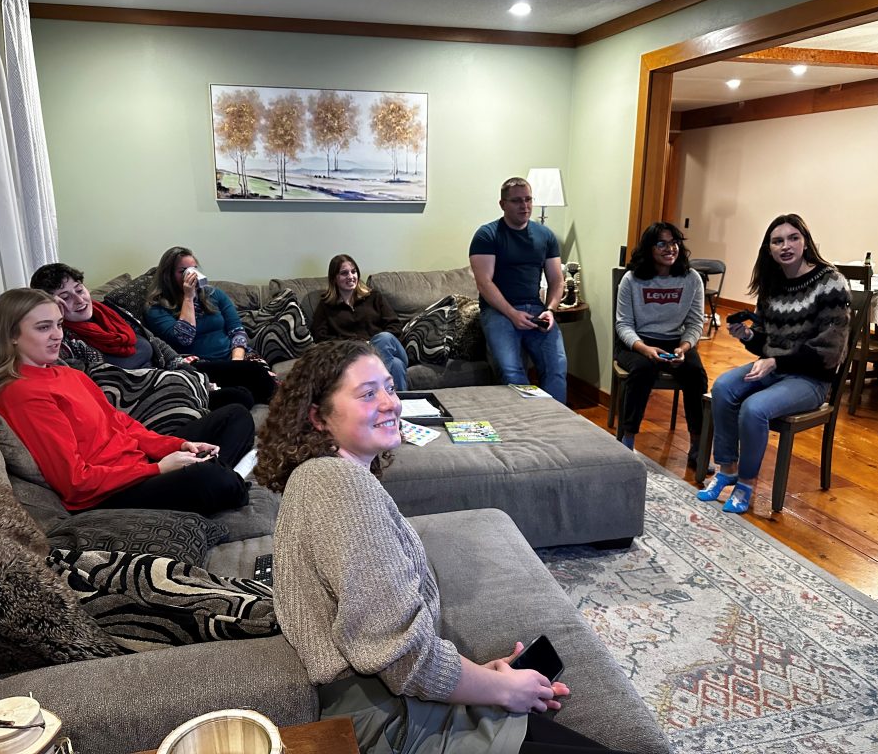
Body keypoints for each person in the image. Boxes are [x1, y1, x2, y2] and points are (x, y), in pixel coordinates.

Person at [254, 339, 636, 754]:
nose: (390, 403)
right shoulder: (337, 485)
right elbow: (399, 657)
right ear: (318, 417)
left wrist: (478, 677)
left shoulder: (326, 480)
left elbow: (392, 644)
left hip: (405, 704)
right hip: (396, 725)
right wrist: (498, 689)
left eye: (389, 387)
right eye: (367, 394)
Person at [0, 288, 253, 514]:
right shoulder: (21, 394)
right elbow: (75, 483)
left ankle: (222, 476)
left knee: (235, 415)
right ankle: (227, 480)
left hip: (136, 463)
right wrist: (158, 468)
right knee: (208, 479)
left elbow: (123, 424)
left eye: (59, 324)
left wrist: (179, 445)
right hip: (111, 491)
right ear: (12, 335)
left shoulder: (66, 373)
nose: (57, 335)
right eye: (43, 327)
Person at [696, 214, 850, 514]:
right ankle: (726, 468)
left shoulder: (830, 282)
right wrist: (748, 335)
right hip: (777, 368)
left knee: (755, 409)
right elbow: (766, 342)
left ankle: (746, 483)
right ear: (769, 249)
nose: (786, 246)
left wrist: (774, 361)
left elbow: (830, 352)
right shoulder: (773, 283)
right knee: (724, 386)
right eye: (777, 241)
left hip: (811, 379)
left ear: (805, 242)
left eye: (793, 238)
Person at [30, 262, 255, 409]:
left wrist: (191, 376)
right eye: (65, 298)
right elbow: (97, 388)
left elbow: (157, 344)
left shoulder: (111, 311)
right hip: (151, 395)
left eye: (79, 290)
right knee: (240, 398)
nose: (79, 301)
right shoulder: (64, 340)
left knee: (252, 375)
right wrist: (55, 319)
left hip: (171, 372)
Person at [469, 177, 568, 403]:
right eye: (516, 201)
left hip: (536, 309)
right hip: (499, 311)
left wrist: (550, 310)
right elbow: (484, 283)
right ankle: (526, 425)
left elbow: (556, 280)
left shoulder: (546, 235)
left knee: (557, 366)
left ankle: (555, 425)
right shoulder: (487, 235)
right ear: (503, 204)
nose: (524, 206)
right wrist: (512, 314)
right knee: (511, 371)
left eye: (528, 199)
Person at [615, 222, 707, 463]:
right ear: (649, 248)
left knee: (696, 374)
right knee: (643, 371)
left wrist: (684, 348)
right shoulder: (631, 279)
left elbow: (696, 322)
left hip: (676, 342)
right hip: (637, 342)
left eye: (674, 243)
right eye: (662, 244)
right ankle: (628, 440)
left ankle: (697, 446)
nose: (671, 249)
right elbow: (623, 324)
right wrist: (644, 349)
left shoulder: (692, 279)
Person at [143, 246, 278, 404]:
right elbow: (183, 339)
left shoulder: (214, 294)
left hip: (234, 358)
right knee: (254, 378)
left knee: (255, 376)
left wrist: (236, 362)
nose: (191, 274)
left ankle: (244, 391)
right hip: (199, 364)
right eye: (183, 271)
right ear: (168, 276)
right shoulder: (156, 308)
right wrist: (188, 297)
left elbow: (237, 331)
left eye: (193, 268)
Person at [311, 253, 409, 391]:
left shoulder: (374, 297)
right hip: (354, 354)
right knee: (397, 365)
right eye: (344, 273)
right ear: (334, 278)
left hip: (387, 347)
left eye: (353, 271)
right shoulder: (327, 305)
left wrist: (373, 343)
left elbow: (395, 326)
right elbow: (321, 337)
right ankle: (399, 406)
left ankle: (372, 385)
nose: (351, 276)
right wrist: (357, 344)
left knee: (384, 338)